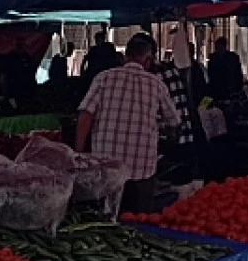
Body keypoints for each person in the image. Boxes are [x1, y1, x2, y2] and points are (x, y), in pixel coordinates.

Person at [76, 34, 180, 213]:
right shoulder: (156, 84)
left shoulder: (103, 78)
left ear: (125, 56)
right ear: (148, 60)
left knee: (105, 218)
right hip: (141, 166)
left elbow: (86, 114)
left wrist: (78, 151)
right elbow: (174, 121)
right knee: (138, 219)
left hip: (106, 166)